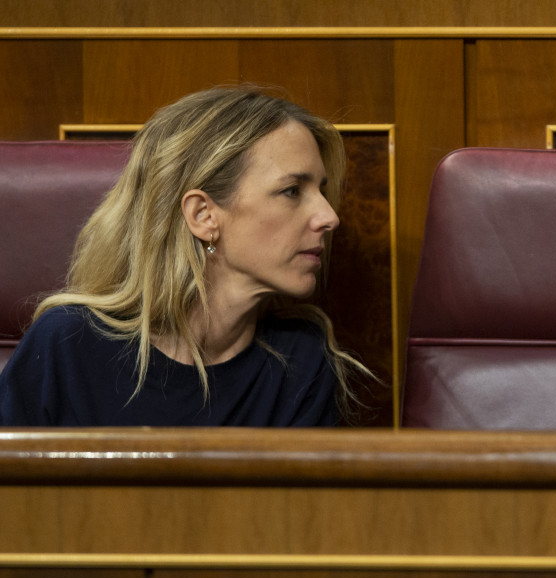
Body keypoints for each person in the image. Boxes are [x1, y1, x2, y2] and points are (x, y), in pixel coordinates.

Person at [0, 86, 371, 426]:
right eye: (292, 191)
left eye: (320, 191)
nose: (330, 217)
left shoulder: (301, 360)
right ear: (203, 216)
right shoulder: (67, 344)